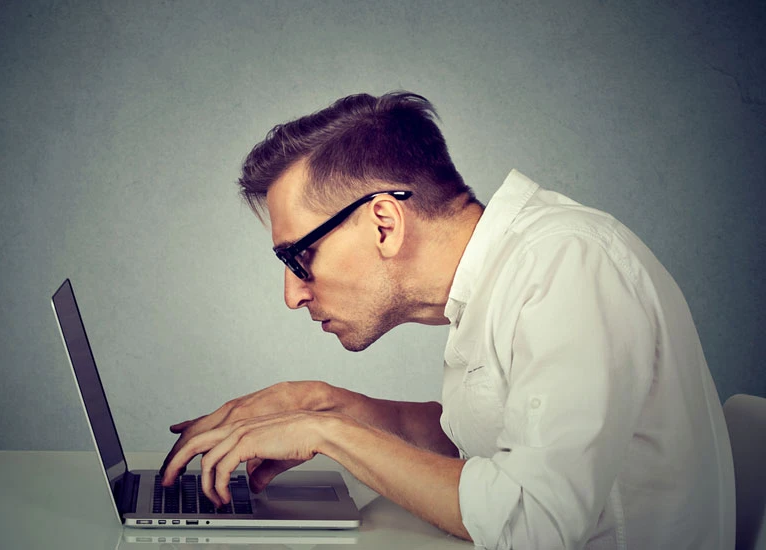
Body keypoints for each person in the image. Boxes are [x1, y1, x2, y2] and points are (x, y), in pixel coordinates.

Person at [160, 92, 735, 549]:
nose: (291, 294)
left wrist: (327, 434)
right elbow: (487, 446)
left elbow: (531, 524)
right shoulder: (501, 276)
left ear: (384, 222)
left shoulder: (568, 265)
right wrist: (321, 403)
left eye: (298, 257)